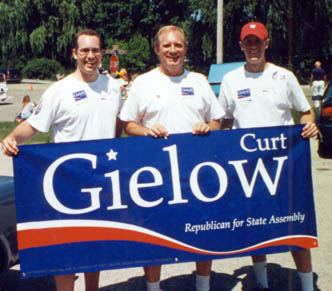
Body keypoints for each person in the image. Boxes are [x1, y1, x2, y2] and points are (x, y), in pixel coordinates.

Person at [1, 29, 123, 291]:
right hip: (66, 181)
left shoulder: (114, 88)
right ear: (74, 53)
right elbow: (32, 126)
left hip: (102, 179)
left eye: (95, 50)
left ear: (102, 52)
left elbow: (119, 126)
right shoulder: (59, 90)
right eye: (85, 50)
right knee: (65, 251)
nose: (91, 56)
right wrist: (12, 137)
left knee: (96, 247)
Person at [119, 25, 224, 291]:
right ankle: (153, 287)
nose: (173, 50)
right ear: (156, 49)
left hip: (197, 171)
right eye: (167, 46)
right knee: (155, 231)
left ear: (185, 49)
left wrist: (207, 127)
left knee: (203, 228)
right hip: (156, 172)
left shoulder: (199, 80)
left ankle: (203, 285)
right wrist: (146, 130)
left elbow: (217, 120)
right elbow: (128, 124)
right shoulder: (143, 82)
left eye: (178, 45)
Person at [219, 22, 318, 291]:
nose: (253, 47)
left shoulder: (284, 77)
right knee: (256, 225)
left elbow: (305, 111)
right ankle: (260, 282)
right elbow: (224, 121)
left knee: (295, 223)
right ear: (241, 45)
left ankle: (307, 286)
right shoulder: (231, 80)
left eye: (258, 41)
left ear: (267, 43)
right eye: (248, 42)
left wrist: (309, 124)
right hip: (247, 169)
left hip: (283, 166)